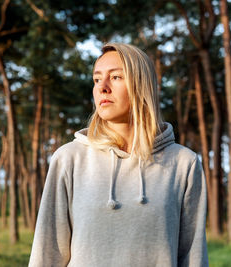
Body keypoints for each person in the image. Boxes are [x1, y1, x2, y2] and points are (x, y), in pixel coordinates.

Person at [28, 43, 209, 267]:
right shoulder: (69, 159)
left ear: (141, 85)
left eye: (115, 77)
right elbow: (47, 255)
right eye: (96, 79)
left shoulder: (183, 164)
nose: (102, 87)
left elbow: (193, 257)